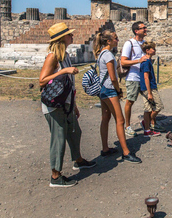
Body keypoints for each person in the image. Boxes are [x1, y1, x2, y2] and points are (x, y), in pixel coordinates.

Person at [39, 22, 96, 188]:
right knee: (58, 139)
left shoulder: (65, 55)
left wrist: (74, 105)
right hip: (55, 106)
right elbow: (42, 80)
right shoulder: (53, 57)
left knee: (75, 131)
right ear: (62, 38)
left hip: (67, 104)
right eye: (69, 34)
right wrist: (64, 71)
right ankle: (55, 176)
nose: (72, 36)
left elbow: (68, 84)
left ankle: (78, 160)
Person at [94, 30, 142, 163]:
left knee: (105, 117)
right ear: (108, 41)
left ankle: (105, 148)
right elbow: (113, 77)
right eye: (115, 38)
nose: (117, 40)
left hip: (102, 88)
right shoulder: (108, 55)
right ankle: (126, 152)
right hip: (109, 89)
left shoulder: (101, 53)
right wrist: (118, 90)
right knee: (120, 120)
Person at [120, 21, 149, 137]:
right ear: (136, 31)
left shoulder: (145, 43)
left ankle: (147, 124)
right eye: (143, 28)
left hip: (144, 77)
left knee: (150, 101)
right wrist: (138, 60)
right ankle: (127, 126)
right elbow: (123, 61)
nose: (146, 29)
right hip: (133, 77)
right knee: (130, 101)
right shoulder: (129, 43)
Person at [139, 41, 165, 137]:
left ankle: (147, 130)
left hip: (145, 88)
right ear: (147, 51)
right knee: (158, 106)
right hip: (149, 88)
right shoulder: (146, 62)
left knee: (148, 109)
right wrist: (149, 92)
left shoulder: (147, 61)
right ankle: (147, 122)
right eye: (153, 49)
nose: (155, 50)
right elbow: (146, 77)